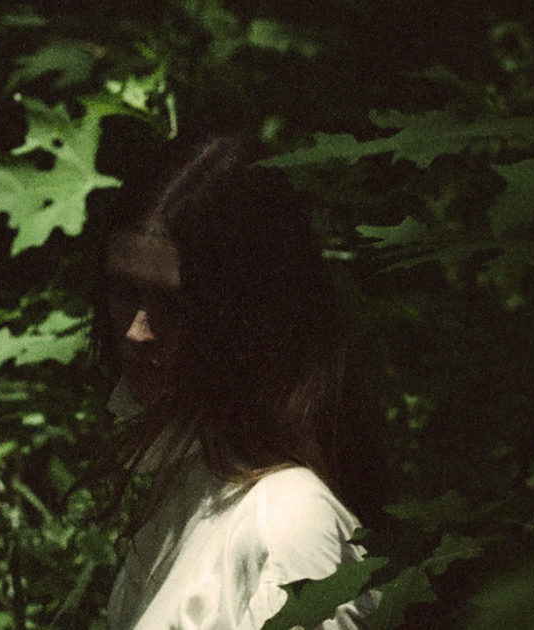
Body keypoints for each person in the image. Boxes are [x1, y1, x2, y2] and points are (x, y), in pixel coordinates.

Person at [93, 134, 383, 630]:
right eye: (125, 292)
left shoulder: (290, 526)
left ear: (247, 312)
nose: (138, 331)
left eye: (175, 305)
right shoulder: (191, 486)